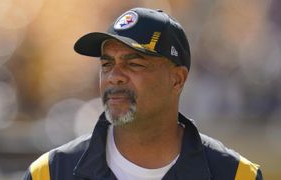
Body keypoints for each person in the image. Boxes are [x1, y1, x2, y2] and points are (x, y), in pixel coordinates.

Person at [23, 7, 263, 180]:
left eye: (134, 64)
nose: (114, 75)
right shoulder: (50, 173)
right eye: (106, 64)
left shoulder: (236, 175)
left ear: (177, 79)